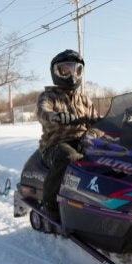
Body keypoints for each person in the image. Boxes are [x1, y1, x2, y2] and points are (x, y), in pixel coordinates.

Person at [36, 49, 98, 224]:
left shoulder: (84, 100)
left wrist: (120, 118)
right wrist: (55, 116)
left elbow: (98, 120)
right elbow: (43, 112)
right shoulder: (48, 96)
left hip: (83, 142)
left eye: (76, 70)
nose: (71, 75)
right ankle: (50, 206)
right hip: (55, 145)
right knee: (68, 156)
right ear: (56, 72)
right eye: (66, 70)